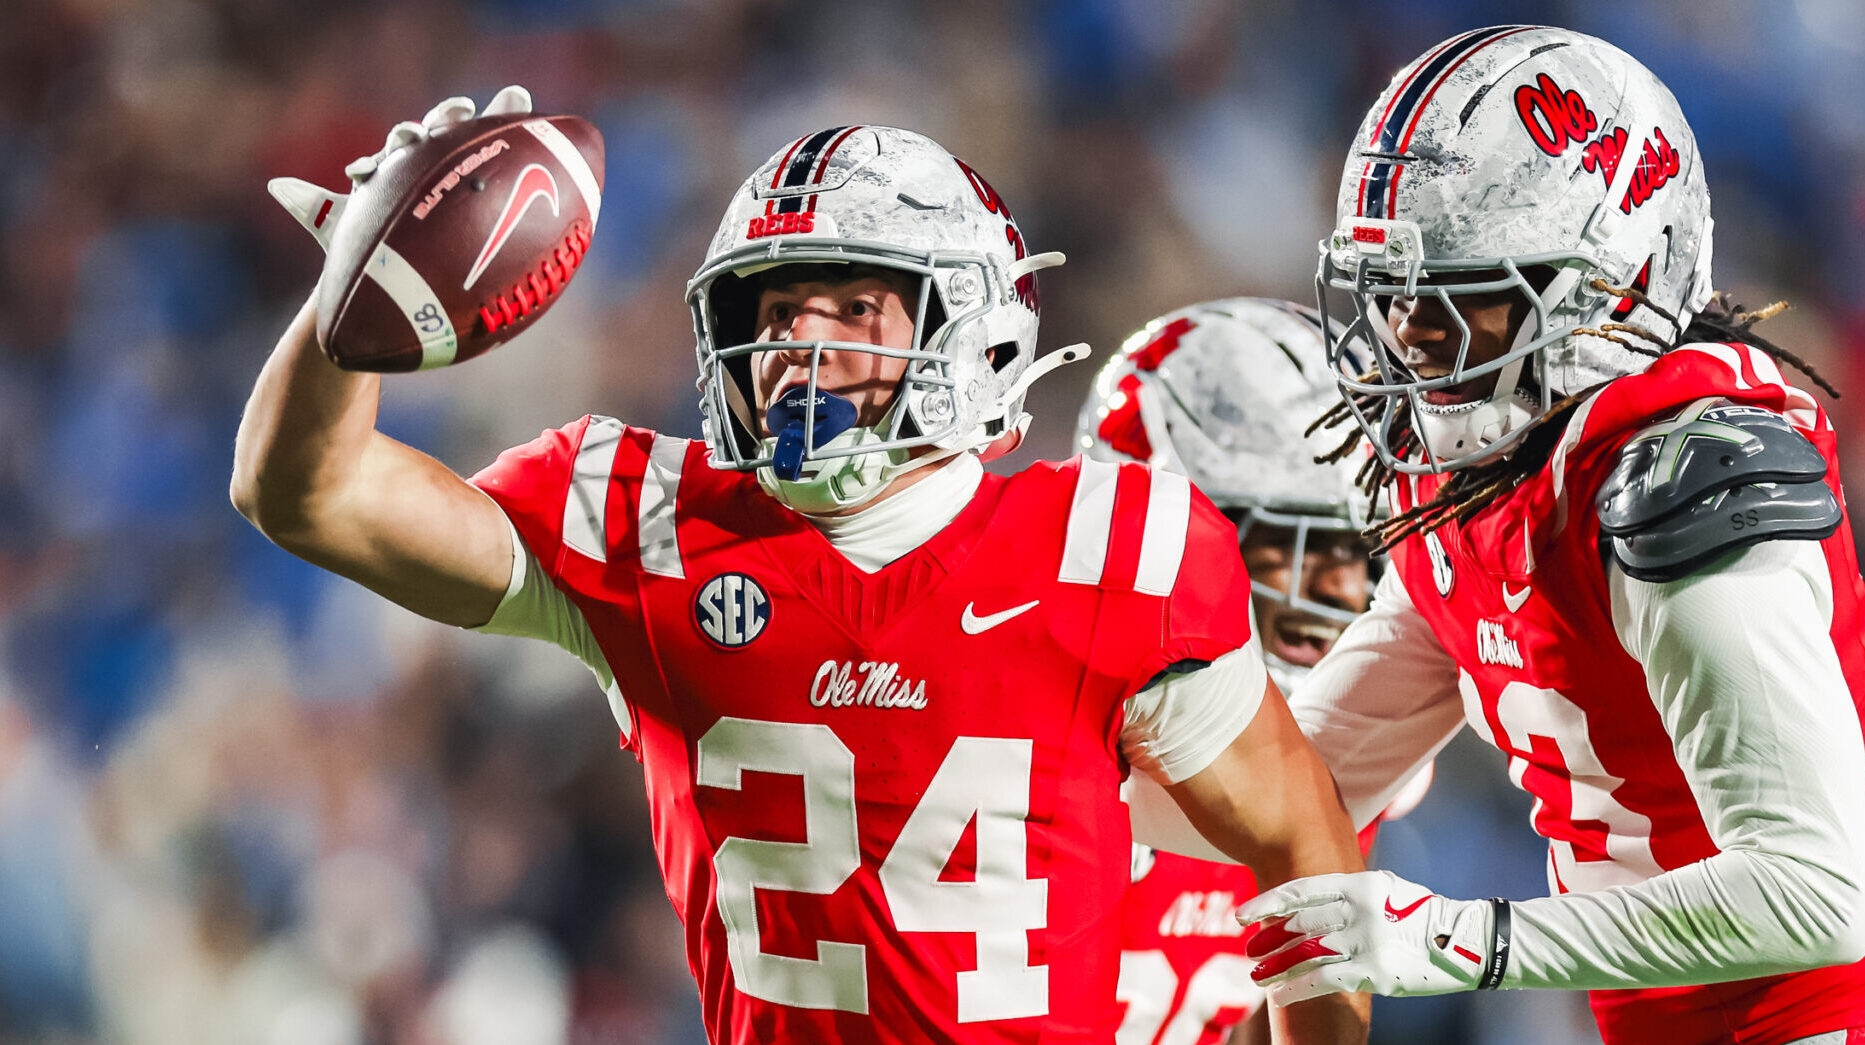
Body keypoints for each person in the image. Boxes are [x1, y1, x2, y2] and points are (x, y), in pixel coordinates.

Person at [233, 91, 1369, 1045]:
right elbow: (308, 494)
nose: (796, 345)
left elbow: (1301, 844)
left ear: (969, 331)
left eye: (854, 307)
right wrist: (350, 305)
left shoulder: (1110, 547)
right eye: (776, 310)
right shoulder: (645, 519)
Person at [1232, 24, 1865, 1045]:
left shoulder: (1685, 483)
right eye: (1393, 291)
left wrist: (1458, 941)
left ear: (1611, 283)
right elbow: (1290, 783)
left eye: (1462, 292)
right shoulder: (1482, 482)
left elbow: (1821, 893)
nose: (1407, 335)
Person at [1077, 300, 1430, 1045]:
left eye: (1361, 549)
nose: (1345, 590)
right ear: (1171, 533)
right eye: (1302, 544)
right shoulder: (1057, 736)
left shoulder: (1343, 755)